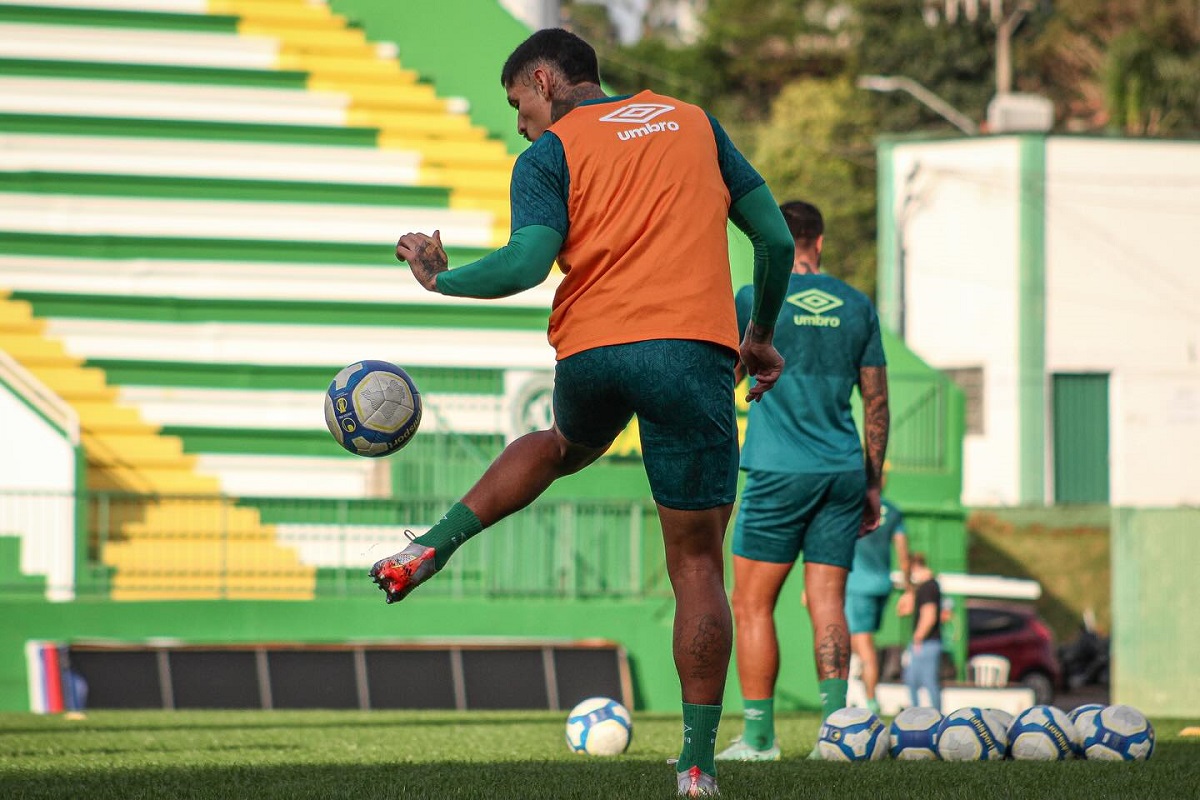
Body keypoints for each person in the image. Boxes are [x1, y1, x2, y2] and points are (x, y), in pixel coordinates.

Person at [369, 28, 794, 797]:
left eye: (518, 104)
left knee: (564, 442)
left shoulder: (547, 157)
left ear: (545, 78)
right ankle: (697, 768)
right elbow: (771, 236)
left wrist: (441, 279)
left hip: (593, 350)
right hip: (691, 351)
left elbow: (528, 264)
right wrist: (758, 334)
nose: (520, 122)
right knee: (697, 567)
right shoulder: (693, 120)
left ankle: (431, 546)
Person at [716, 200, 889, 762]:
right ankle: (836, 735)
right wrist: (872, 484)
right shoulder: (859, 305)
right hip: (841, 472)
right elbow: (877, 403)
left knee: (751, 605)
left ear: (778, 239)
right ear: (821, 241)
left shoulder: (754, 298)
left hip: (776, 471)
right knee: (828, 601)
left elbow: (726, 378)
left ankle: (761, 739)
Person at [845, 471, 909, 715]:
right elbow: (903, 552)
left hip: (858, 584)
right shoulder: (892, 510)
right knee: (857, 642)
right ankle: (857, 689)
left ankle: (871, 701)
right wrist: (909, 590)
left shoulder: (854, 506)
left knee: (863, 644)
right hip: (883, 584)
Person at [901, 553, 943, 711]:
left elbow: (929, 615)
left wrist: (918, 637)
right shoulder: (930, 586)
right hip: (928, 642)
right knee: (914, 680)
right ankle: (919, 713)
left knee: (925, 681)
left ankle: (923, 715)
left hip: (926, 642)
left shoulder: (927, 587)